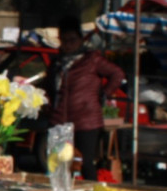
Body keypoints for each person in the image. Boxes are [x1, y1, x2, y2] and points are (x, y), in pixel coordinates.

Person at [44, 16, 125, 181]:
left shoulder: (91, 59)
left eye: (72, 40)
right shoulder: (57, 63)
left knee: (86, 163)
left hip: (86, 119)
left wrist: (103, 94)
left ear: (80, 40)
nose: (68, 44)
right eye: (64, 40)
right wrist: (49, 105)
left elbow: (117, 74)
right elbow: (48, 86)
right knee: (59, 162)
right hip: (59, 119)